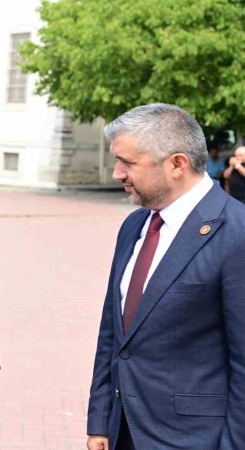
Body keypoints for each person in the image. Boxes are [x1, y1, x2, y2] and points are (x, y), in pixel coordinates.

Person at [87, 104, 245, 450]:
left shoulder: (237, 233)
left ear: (177, 164)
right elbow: (113, 333)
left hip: (196, 439)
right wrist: (100, 421)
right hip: (123, 431)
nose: (116, 173)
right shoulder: (135, 225)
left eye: (127, 162)